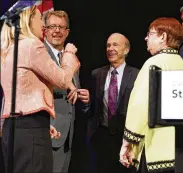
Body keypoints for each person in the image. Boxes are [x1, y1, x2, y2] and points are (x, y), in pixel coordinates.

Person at [0, 3, 79, 173]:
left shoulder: (7, 48)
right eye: (38, 18)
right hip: (30, 131)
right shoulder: (32, 45)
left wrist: (42, 123)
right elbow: (63, 79)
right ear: (28, 19)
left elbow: (19, 92)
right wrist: (69, 54)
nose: (42, 25)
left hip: (13, 129)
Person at [119, 17, 183, 173]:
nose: (146, 38)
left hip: (155, 148)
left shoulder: (153, 63)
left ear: (163, 37)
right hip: (178, 150)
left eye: (150, 34)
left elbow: (141, 105)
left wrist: (128, 141)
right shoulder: (182, 64)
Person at [43, 10, 90, 173]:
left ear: (67, 32)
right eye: (53, 26)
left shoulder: (70, 58)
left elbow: (72, 92)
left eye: (61, 27)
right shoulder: (40, 54)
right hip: (46, 133)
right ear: (45, 30)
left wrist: (84, 99)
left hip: (67, 137)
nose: (57, 31)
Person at [87, 33, 139, 173]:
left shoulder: (137, 75)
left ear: (126, 50)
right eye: (108, 45)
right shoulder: (96, 74)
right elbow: (90, 108)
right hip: (101, 138)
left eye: (115, 45)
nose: (110, 48)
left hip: (126, 138)